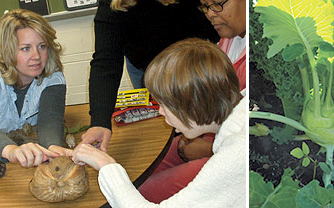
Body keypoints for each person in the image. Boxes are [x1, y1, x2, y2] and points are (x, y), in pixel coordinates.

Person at [72, 38, 247, 207]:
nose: (160, 111)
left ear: (192, 104)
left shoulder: (237, 153)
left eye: (164, 105)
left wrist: (106, 165)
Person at [134, 0, 247, 202]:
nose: (210, 14)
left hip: (218, 150)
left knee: (142, 192)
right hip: (207, 134)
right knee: (139, 173)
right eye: (205, 7)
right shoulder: (227, 39)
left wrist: (205, 148)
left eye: (217, 4)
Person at [81, 0, 220, 152]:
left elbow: (221, 34)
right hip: (146, 65)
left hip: (195, 65)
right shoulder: (115, 4)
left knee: (201, 130)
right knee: (165, 128)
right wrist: (100, 122)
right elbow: (106, 63)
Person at [0, 9, 71, 168]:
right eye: (26, 48)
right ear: (8, 50)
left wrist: (53, 148)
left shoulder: (52, 75)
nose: (37, 56)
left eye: (42, 46)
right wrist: (11, 151)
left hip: (23, 144)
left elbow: (50, 119)